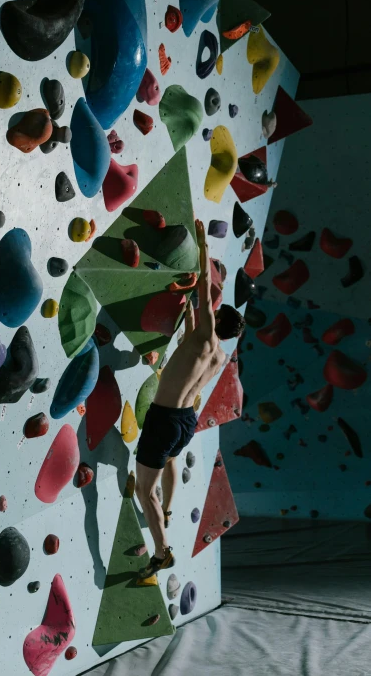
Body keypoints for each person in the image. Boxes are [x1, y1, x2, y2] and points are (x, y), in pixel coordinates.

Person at [135, 219, 246, 579]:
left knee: (142, 489)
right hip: (184, 421)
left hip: (165, 418)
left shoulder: (206, 338)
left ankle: (162, 551)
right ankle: (166, 509)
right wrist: (188, 317)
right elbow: (189, 345)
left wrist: (202, 241)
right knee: (166, 461)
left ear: (215, 323)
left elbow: (203, 287)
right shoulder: (215, 355)